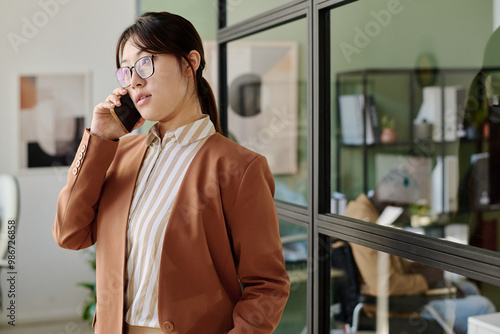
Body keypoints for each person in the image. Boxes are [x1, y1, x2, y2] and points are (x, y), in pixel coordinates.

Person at [53, 12, 290, 334]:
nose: (134, 80)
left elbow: (268, 284)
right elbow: (69, 233)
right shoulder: (119, 154)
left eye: (146, 62)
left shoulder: (239, 168)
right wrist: (99, 139)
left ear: (189, 63)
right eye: (127, 70)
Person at [343, 172, 496, 334]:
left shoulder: (365, 211)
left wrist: (414, 267)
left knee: (469, 289)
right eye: (407, 207)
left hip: (401, 299)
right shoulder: (366, 222)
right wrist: (426, 279)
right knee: (482, 306)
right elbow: (385, 286)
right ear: (393, 202)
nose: (408, 214)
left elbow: (387, 264)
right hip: (397, 309)